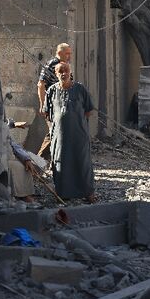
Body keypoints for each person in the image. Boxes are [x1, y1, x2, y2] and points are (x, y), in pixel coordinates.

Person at [43, 62, 96, 203]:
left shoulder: (80, 89)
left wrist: (75, 121)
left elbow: (89, 110)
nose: (63, 73)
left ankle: (88, 193)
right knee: (60, 163)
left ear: (70, 72)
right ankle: (63, 193)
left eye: (66, 70)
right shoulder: (51, 91)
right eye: (60, 71)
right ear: (56, 74)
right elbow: (47, 113)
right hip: (59, 136)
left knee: (82, 162)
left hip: (78, 134)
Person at [36, 43, 72, 159]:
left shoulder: (65, 65)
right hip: (52, 106)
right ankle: (38, 163)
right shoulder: (52, 64)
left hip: (63, 105)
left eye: (70, 53)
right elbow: (41, 84)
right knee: (54, 132)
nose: (69, 56)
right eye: (67, 53)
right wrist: (42, 105)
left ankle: (54, 162)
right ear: (60, 53)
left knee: (59, 132)